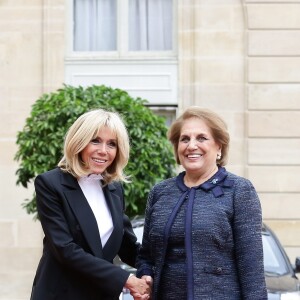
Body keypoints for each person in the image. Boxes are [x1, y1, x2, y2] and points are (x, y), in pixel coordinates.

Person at [136, 106, 268, 299]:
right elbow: (146, 255)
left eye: (201, 138)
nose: (191, 146)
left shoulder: (239, 190)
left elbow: (251, 267)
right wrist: (145, 273)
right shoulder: (160, 192)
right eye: (184, 139)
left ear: (219, 147)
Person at [30, 109, 151, 300]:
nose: (103, 150)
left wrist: (150, 270)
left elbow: (127, 245)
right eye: (95, 140)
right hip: (61, 294)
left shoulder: (114, 188)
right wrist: (126, 280)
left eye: (112, 144)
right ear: (79, 142)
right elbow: (65, 250)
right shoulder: (50, 183)